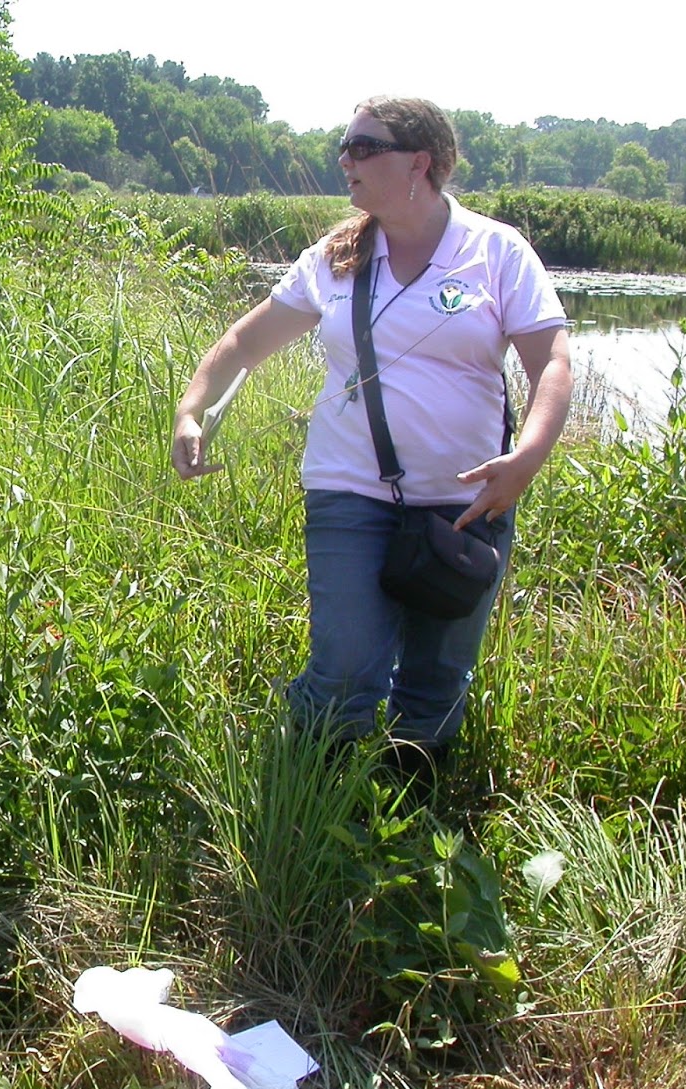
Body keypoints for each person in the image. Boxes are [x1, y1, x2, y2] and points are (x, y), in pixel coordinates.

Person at [171, 96, 572, 779]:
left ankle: (409, 817)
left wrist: (526, 460)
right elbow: (247, 337)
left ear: (419, 162)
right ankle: (313, 800)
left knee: (437, 677)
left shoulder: (496, 252)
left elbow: (552, 363)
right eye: (344, 144)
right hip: (349, 489)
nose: (344, 159)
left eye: (363, 146)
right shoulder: (335, 257)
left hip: (467, 503)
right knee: (349, 663)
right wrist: (191, 407)